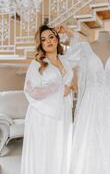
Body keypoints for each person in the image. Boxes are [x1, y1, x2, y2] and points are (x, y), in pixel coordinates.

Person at [58, 25, 110, 174]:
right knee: (91, 141)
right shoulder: (86, 49)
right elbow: (66, 62)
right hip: (92, 101)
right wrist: (70, 32)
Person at [21, 25, 74, 174]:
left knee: (60, 150)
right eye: (43, 39)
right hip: (43, 115)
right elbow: (31, 91)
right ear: (41, 44)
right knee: (44, 151)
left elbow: (85, 47)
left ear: (57, 39)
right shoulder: (37, 64)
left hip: (62, 113)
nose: (48, 41)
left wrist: (68, 31)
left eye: (51, 36)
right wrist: (59, 90)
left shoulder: (66, 61)